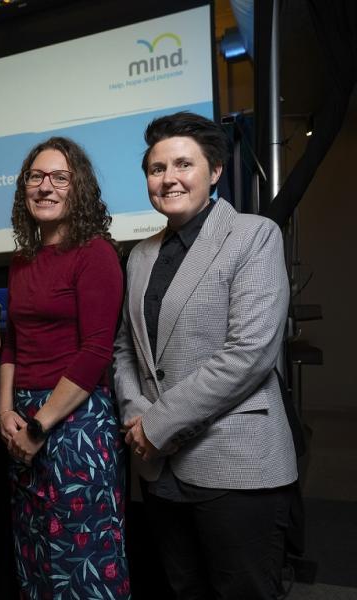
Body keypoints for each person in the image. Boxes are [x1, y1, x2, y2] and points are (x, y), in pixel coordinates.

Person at [112, 111, 297, 599]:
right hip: (158, 467)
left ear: (214, 171)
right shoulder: (140, 254)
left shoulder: (254, 235)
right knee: (181, 588)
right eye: (157, 169)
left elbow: (249, 353)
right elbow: (126, 348)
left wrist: (157, 425)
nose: (168, 178)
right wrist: (137, 417)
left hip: (235, 461)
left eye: (183, 165)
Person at [0, 137, 130, 599]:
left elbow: (96, 351)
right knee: (34, 551)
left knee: (82, 557)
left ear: (79, 188)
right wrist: (5, 413)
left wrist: (38, 427)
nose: (45, 187)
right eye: (36, 177)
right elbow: (11, 341)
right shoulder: (21, 260)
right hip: (25, 421)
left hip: (76, 420)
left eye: (59, 177)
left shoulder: (95, 254)